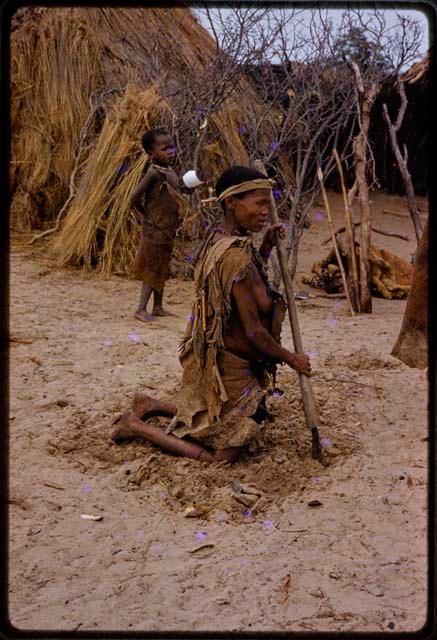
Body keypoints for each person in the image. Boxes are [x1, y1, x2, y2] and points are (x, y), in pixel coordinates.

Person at [112, 165, 311, 462]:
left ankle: (151, 404)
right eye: (258, 203)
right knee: (223, 455)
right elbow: (254, 331)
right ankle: (136, 427)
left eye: (266, 204)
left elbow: (241, 287)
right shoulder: (233, 255)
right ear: (232, 202)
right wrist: (290, 358)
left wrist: (266, 247)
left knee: (242, 419)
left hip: (228, 362)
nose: (264, 212)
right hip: (230, 369)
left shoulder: (221, 241)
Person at [131, 128, 198, 322]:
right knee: (152, 267)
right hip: (154, 228)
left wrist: (190, 188)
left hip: (167, 228)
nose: (170, 152)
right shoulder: (153, 172)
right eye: (164, 149)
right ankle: (141, 309)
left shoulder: (169, 171)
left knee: (162, 265)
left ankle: (158, 306)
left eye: (171, 147)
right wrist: (145, 215)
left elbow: (177, 191)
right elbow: (134, 197)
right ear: (151, 154)